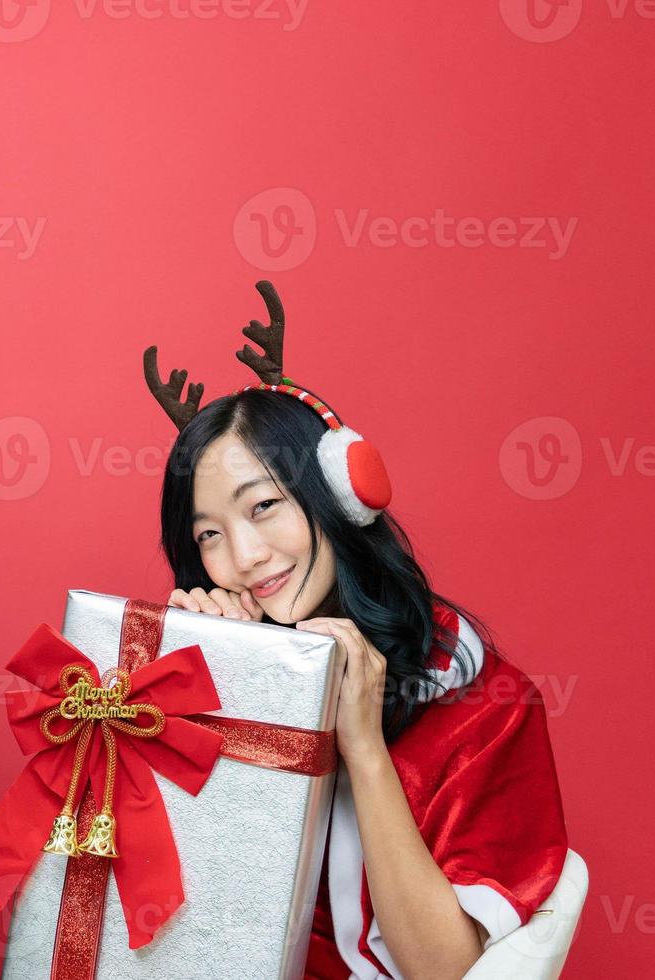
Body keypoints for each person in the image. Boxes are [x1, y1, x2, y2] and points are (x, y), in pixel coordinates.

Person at [148, 283, 568, 979]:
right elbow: (174, 927)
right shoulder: (219, 664)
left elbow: (443, 969)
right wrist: (203, 696)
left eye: (263, 507)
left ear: (339, 495)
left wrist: (363, 748)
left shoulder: (488, 710)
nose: (245, 557)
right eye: (211, 534)